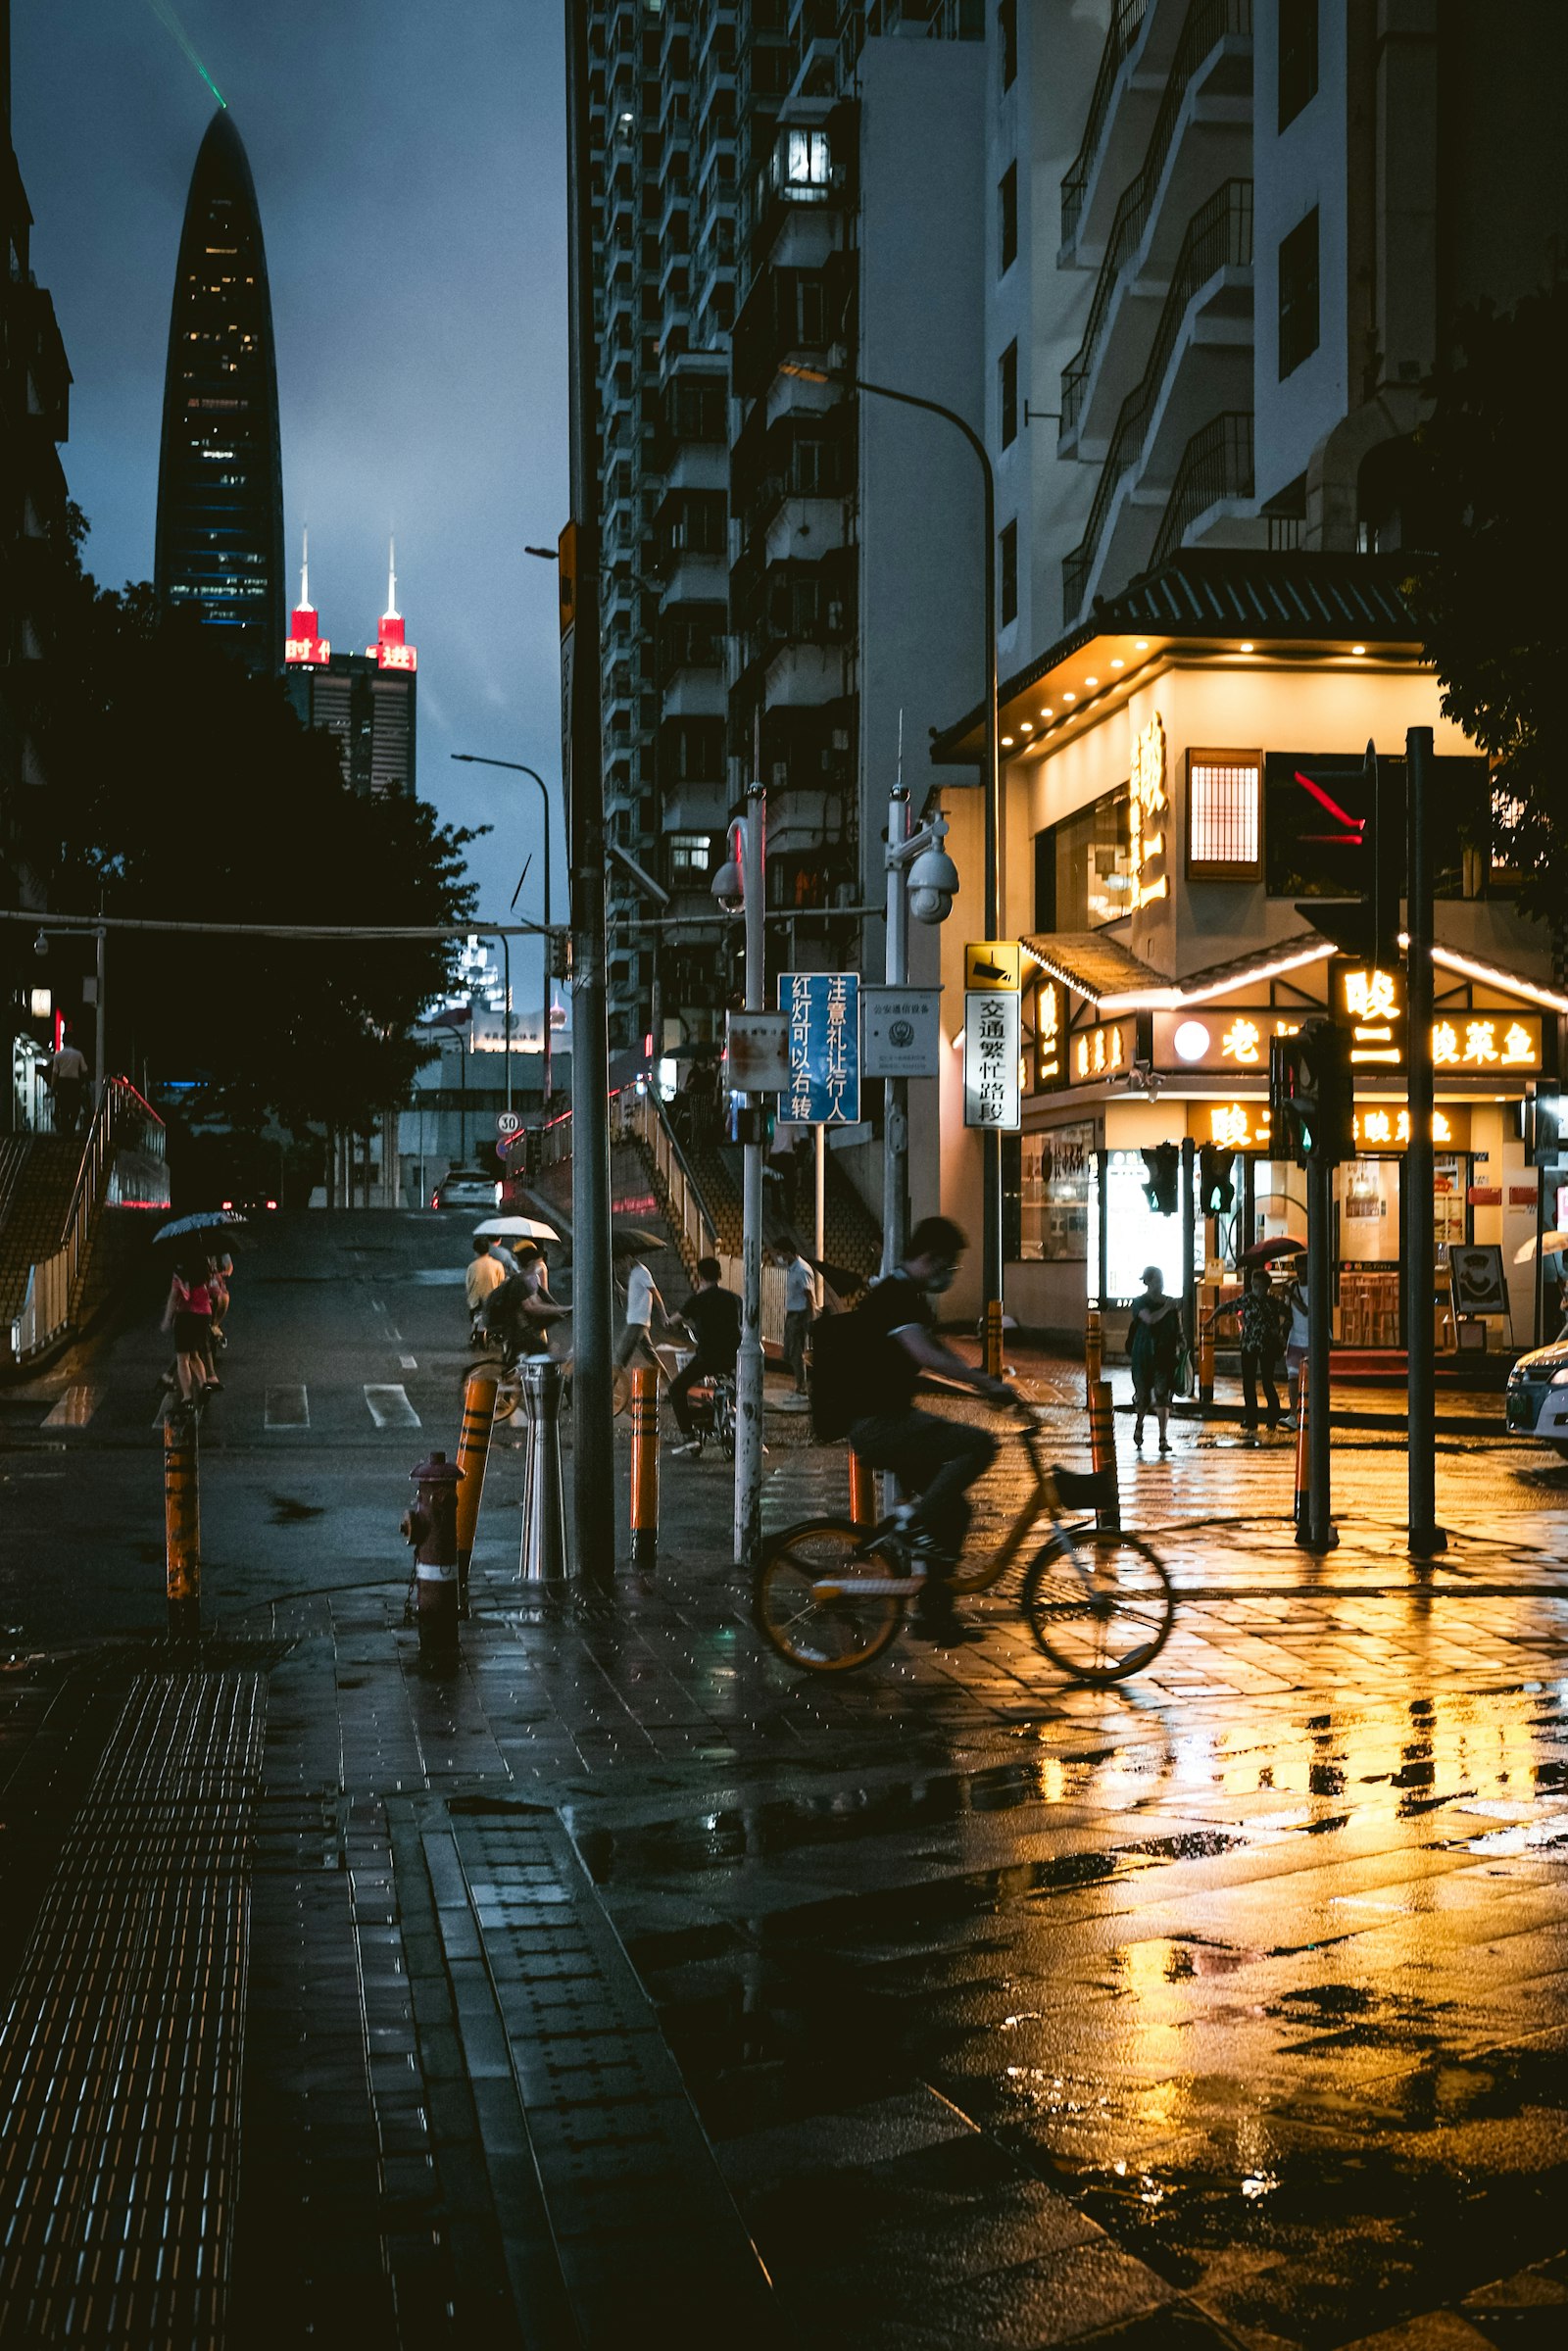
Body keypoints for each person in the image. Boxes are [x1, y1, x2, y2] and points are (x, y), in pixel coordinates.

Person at [839, 1216, 1011, 1646]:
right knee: (979, 1444)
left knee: (954, 1510)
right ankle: (914, 1525)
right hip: (879, 1424)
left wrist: (978, 1382)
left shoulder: (906, 1295)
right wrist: (984, 1382)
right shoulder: (897, 1295)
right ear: (930, 1259)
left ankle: (934, 1616)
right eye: (950, 1266)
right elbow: (926, 1354)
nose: (950, 1275)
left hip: (887, 1420)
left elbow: (935, 1351)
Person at [668, 1256, 742, 1454]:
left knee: (676, 1389)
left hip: (707, 1359)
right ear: (719, 1275)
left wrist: (670, 1322)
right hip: (733, 1357)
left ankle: (688, 1436)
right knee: (744, 1390)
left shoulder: (697, 1300)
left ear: (700, 1277)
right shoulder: (734, 1298)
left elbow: (674, 1320)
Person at [1209, 1267, 1285, 1435]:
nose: (1256, 1289)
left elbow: (1288, 1315)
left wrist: (1280, 1330)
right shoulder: (1247, 1300)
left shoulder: (1273, 1302)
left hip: (1267, 1346)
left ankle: (1273, 1419)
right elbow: (1225, 1307)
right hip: (1249, 1345)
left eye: (1259, 1286)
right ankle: (1251, 1419)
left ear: (1267, 1287)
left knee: (1267, 1382)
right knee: (1248, 1382)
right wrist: (1211, 1319)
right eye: (1254, 1285)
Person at [1128, 1267, 1184, 1452]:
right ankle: (1140, 1422)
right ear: (1148, 1282)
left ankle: (1162, 1438)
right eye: (1157, 1280)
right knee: (1143, 1395)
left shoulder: (1170, 1302)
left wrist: (1181, 1340)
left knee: (1162, 1395)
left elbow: (1177, 1325)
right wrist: (1167, 1307)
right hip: (1143, 1354)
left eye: (1162, 1279)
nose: (1161, 1283)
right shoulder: (1139, 1302)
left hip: (1164, 1354)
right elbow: (1150, 1319)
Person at [482, 1244, 564, 1361]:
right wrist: (562, 1309)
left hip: (514, 1325)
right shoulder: (520, 1282)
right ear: (531, 1263)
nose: (539, 1266)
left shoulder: (521, 1278)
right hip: (512, 1327)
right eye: (537, 1263)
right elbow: (533, 1306)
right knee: (540, 1350)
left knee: (519, 1356)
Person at [162, 1256, 217, 1405]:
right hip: (204, 1315)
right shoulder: (205, 1266)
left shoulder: (180, 1270)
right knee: (194, 1354)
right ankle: (203, 1384)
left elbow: (174, 1297)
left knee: (182, 1358)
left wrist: (167, 1319)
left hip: (185, 1315)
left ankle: (187, 1396)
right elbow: (215, 1291)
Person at [777, 1235, 818, 1396]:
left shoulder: (802, 1270)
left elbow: (809, 1296)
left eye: (781, 1253)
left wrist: (810, 1318)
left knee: (795, 1351)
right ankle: (801, 1382)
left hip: (800, 1314)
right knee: (788, 1352)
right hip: (792, 1313)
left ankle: (801, 1385)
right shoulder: (792, 1267)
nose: (779, 1257)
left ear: (788, 1252)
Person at [614, 1247, 666, 1372]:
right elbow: (634, 1295)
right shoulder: (634, 1273)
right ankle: (671, 1386)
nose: (619, 1266)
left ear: (628, 1258)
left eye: (621, 1262)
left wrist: (663, 1315)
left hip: (637, 1323)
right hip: (638, 1322)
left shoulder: (641, 1272)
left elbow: (655, 1293)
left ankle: (608, 1388)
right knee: (653, 1359)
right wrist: (621, 1291)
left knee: (618, 1359)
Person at [1282, 1255, 1309, 1429]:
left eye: (1303, 1268)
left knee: (1310, 1379)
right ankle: (1293, 1414)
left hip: (1311, 1339)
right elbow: (1288, 1311)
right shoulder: (1293, 1286)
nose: (1300, 1273)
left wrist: (1291, 1296)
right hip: (1295, 1338)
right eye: (1298, 1269)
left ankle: (1309, 1413)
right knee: (1292, 1378)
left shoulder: (1315, 1286)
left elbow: (1306, 1311)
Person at [49, 1032, 88, 1137]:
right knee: (75, 1106)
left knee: (63, 1107)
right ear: (72, 1041)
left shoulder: (58, 1056)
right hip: (75, 1082)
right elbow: (84, 1070)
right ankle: (71, 1127)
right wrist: (83, 1083)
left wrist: (53, 1087)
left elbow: (55, 1073)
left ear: (63, 1041)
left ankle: (65, 1129)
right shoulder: (78, 1054)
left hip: (62, 1082)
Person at [466, 1235, 507, 1328]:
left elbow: (468, 1286)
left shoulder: (472, 1267)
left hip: (476, 1303)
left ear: (475, 1251)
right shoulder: (498, 1265)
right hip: (493, 1303)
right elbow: (502, 1285)